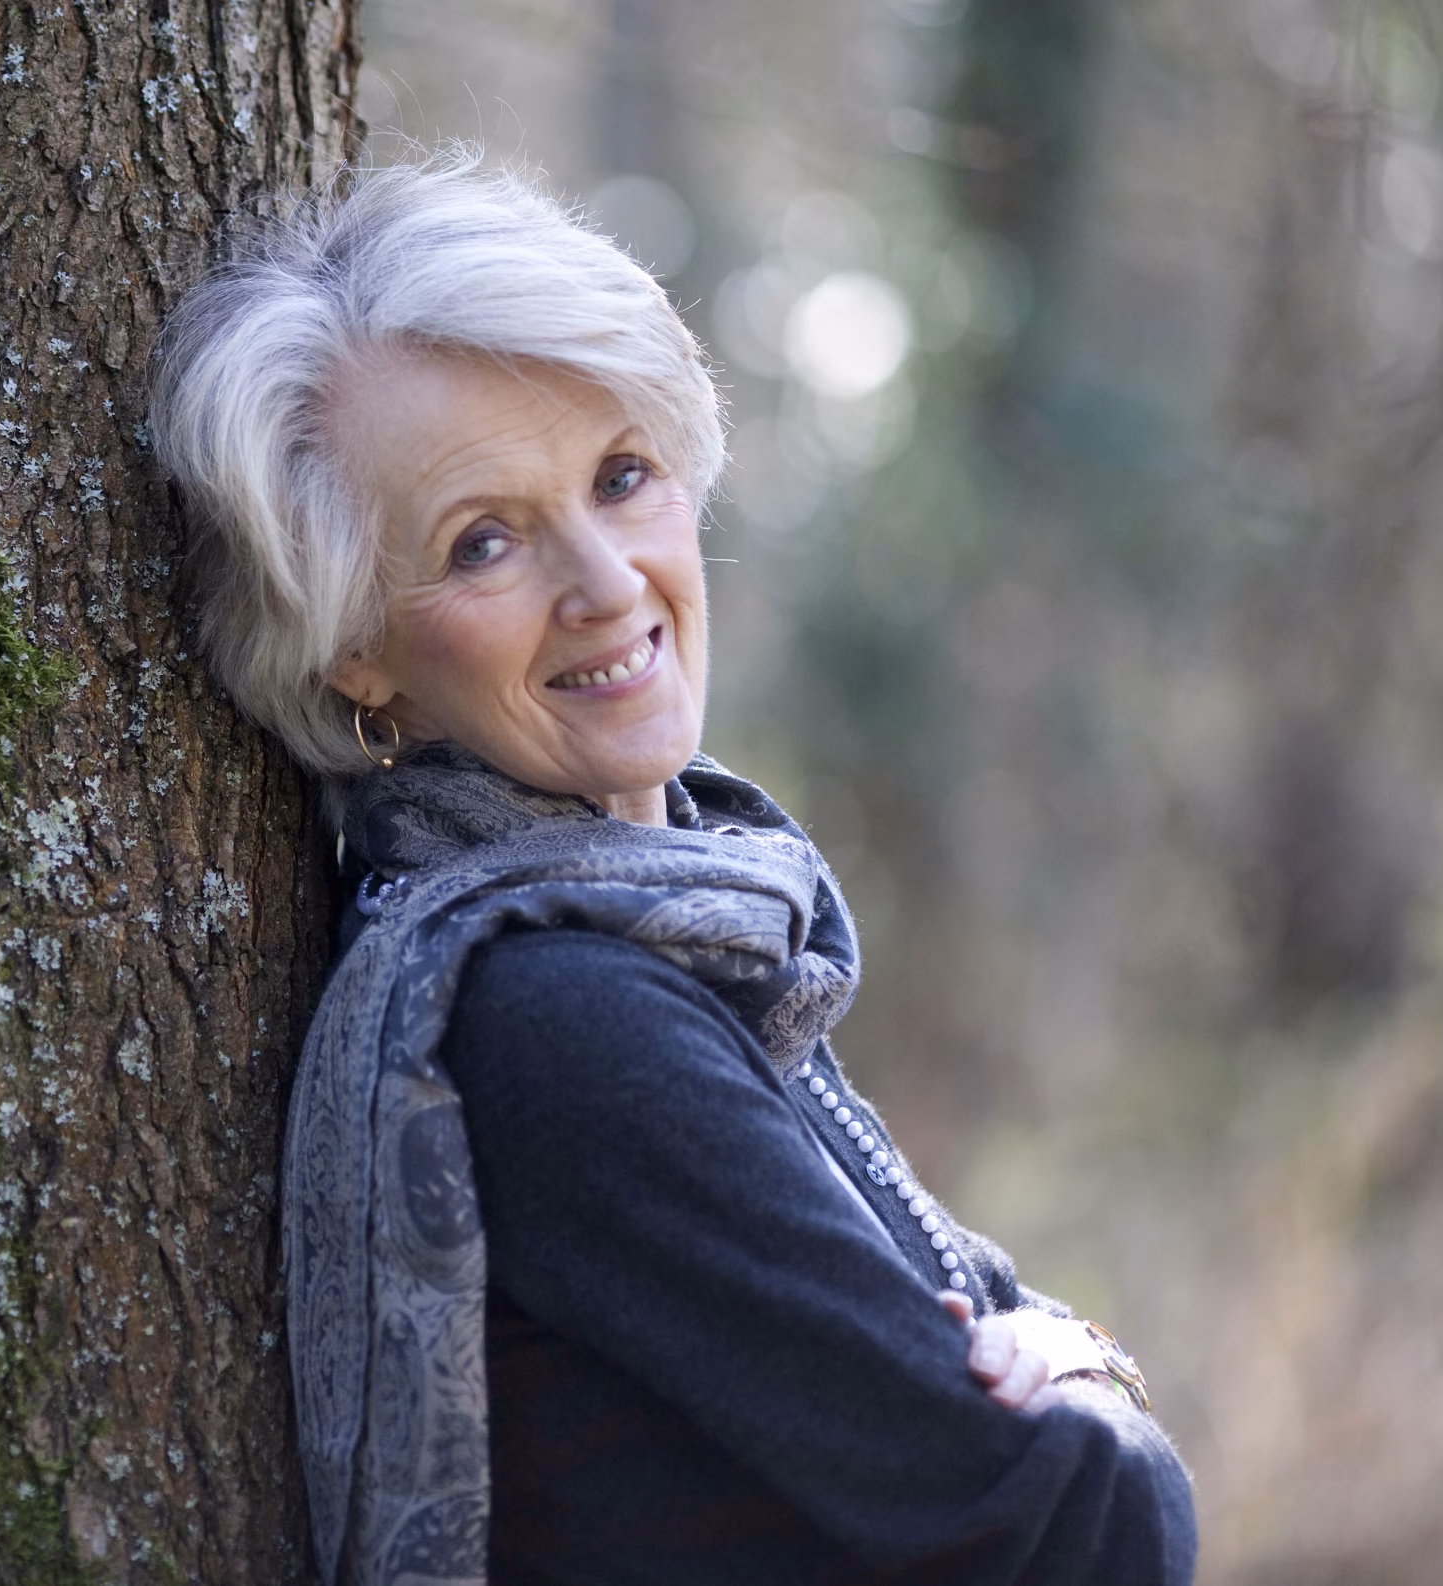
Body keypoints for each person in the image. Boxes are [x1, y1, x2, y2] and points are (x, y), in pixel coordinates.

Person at [147, 150, 1196, 1586]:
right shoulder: (563, 1016)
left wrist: (1054, 1355)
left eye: (621, 476)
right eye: (482, 541)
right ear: (354, 654)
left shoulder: (653, 920)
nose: (606, 583)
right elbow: (1080, 1526)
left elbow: (970, 1334)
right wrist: (1092, 1374)